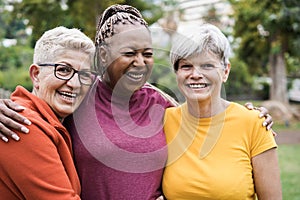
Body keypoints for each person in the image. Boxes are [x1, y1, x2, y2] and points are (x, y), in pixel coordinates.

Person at [0, 5, 274, 200]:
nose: (140, 62)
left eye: (147, 53)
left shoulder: (162, 105)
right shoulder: (80, 94)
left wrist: (254, 118)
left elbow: (205, 116)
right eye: (129, 52)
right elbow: (45, 93)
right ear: (104, 55)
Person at [162, 23, 282, 199]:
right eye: (186, 66)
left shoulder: (254, 123)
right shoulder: (164, 122)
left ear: (225, 71)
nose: (195, 74)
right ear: (177, 74)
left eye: (207, 66)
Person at [0, 26, 96, 199]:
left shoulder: (57, 122)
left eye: (84, 75)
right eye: (63, 70)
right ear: (36, 75)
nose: (75, 84)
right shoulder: (22, 125)